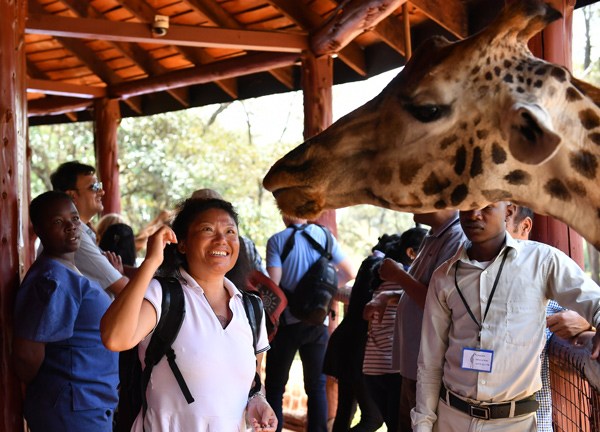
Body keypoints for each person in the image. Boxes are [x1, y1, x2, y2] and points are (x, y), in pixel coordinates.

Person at [412, 202, 600, 432]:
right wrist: (422, 424)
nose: (474, 215)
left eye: (485, 206)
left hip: (515, 423)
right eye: (466, 207)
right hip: (452, 418)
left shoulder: (542, 261)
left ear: (508, 211)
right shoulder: (444, 276)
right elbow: (430, 362)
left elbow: (594, 300)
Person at [100, 197, 277, 431]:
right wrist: (152, 262)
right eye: (207, 229)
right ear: (182, 243)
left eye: (230, 231)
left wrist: (258, 402)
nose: (222, 239)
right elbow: (115, 338)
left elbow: (252, 383)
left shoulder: (251, 308)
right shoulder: (164, 296)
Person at [12, 191, 119, 431]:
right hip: (71, 409)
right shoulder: (52, 280)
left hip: (87, 403)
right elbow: (26, 355)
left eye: (74, 219)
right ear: (39, 230)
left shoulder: (68, 270)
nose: (71, 227)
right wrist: (54, 387)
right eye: (58, 222)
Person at [364, 210, 465, 431]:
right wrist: (389, 297)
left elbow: (441, 304)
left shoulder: (458, 236)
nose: (411, 202)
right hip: (415, 366)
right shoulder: (433, 236)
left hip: (433, 370)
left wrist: (399, 275)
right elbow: (427, 294)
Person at [505, 204, 593, 432]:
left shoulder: (545, 266)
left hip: (533, 422)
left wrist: (587, 322)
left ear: (525, 226)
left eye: (505, 215)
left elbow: (588, 303)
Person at [265, 215, 356, 432]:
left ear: (285, 212)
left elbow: (274, 286)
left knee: (276, 387)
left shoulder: (277, 240)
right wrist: (323, 293)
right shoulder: (325, 236)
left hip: (287, 323)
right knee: (317, 387)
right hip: (318, 322)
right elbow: (349, 272)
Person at [325, 235, 401, 432]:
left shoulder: (368, 263)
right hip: (361, 348)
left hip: (345, 343)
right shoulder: (386, 274)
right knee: (373, 418)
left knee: (345, 410)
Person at [362, 226, 427, 431]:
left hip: (372, 369)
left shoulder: (385, 283)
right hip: (393, 369)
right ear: (412, 253)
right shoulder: (401, 280)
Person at [50, 161, 128, 295]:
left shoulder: (82, 232)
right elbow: (124, 289)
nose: (102, 192)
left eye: (100, 186)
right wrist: (117, 274)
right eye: (94, 187)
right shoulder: (74, 235)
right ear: (72, 196)